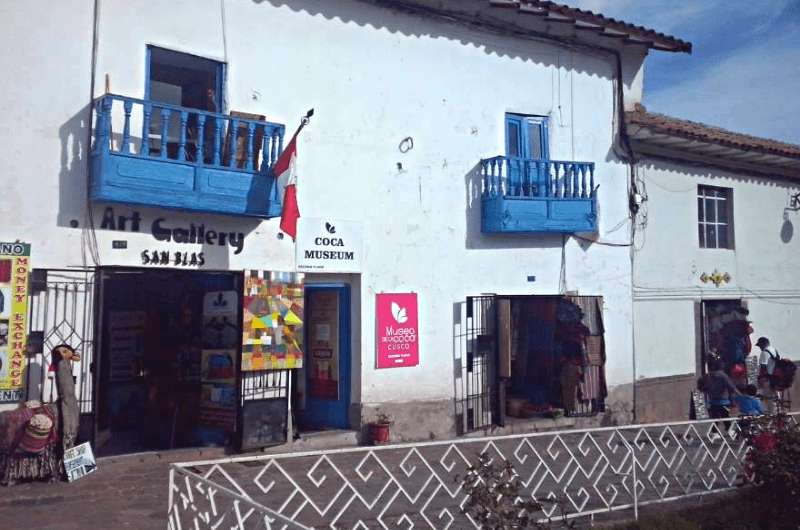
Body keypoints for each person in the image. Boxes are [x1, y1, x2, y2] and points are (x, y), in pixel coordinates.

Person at [704, 359, 741, 439]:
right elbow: (732, 387)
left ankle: (714, 433)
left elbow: (705, 388)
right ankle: (730, 431)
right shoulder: (723, 375)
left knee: (715, 418)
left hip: (712, 401)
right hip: (723, 401)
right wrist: (741, 395)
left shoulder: (709, 376)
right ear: (721, 366)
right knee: (726, 417)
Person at [755, 337, 779, 413]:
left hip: (767, 380)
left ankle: (771, 420)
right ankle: (778, 420)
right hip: (775, 379)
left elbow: (763, 367)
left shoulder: (764, 352)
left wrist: (760, 380)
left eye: (760, 346)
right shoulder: (774, 350)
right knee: (775, 401)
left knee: (767, 402)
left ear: (764, 344)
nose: (760, 348)